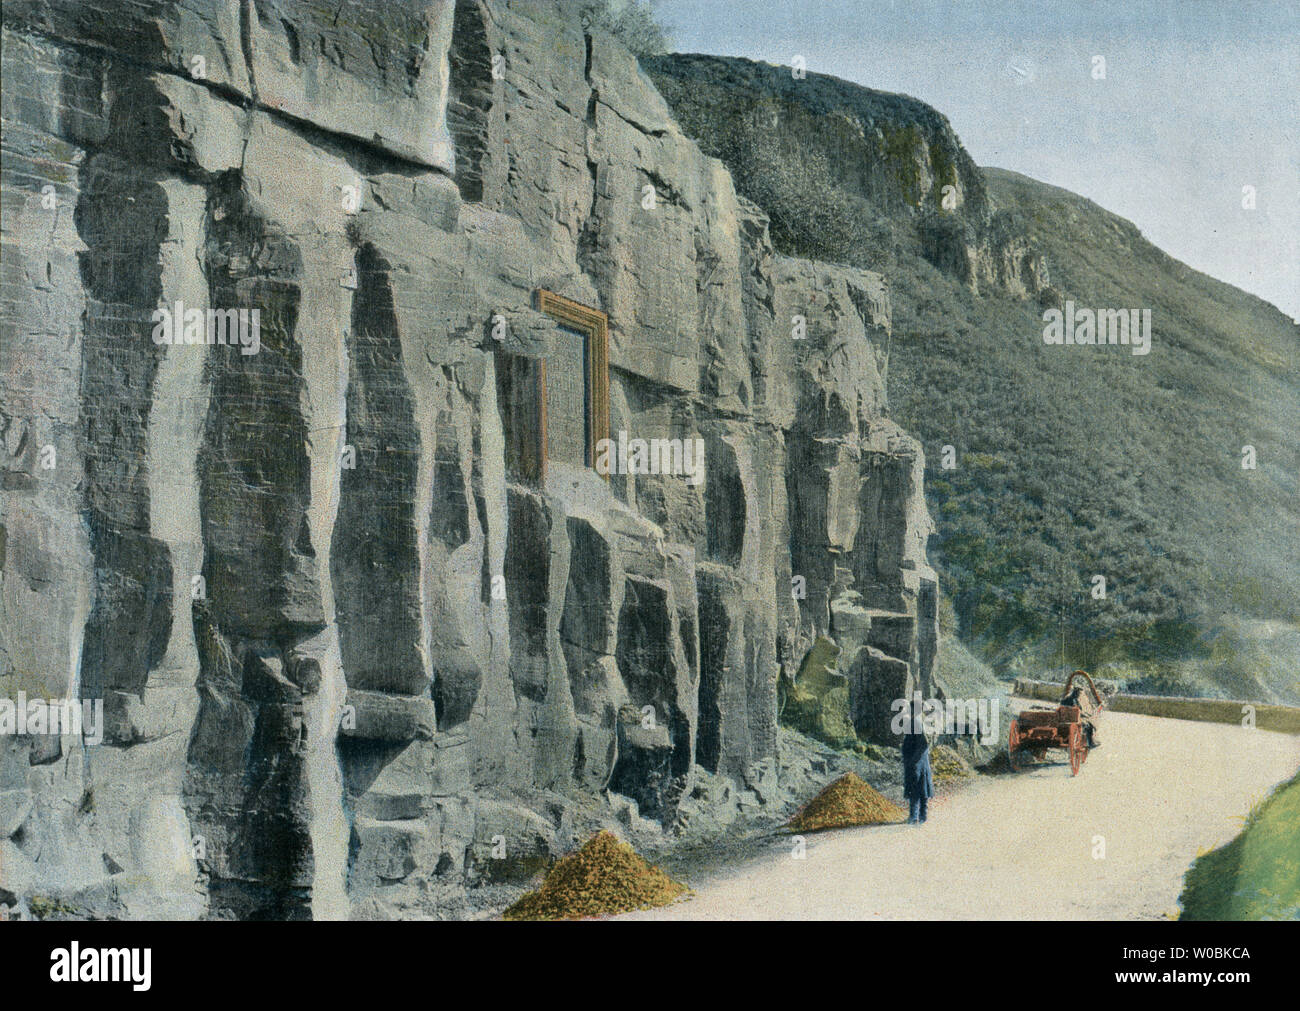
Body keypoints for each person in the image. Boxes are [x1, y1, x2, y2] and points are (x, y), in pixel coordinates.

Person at [901, 723, 934, 824]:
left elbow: (923, 745)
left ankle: (917, 816)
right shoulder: (915, 722)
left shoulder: (918, 723)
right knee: (919, 788)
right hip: (917, 761)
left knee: (917, 788)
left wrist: (913, 761)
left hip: (918, 762)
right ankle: (918, 816)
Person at [1058, 684, 1100, 748]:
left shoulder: (1064, 700)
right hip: (1075, 722)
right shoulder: (1076, 701)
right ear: (1078, 693)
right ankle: (1091, 743)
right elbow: (1079, 711)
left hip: (1062, 721)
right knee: (1089, 726)